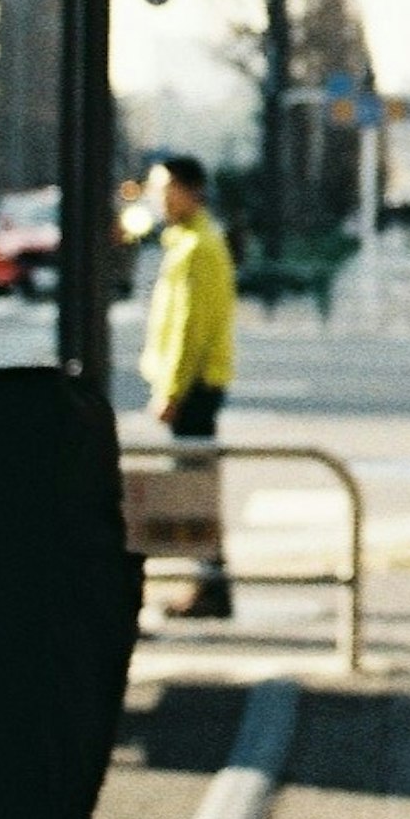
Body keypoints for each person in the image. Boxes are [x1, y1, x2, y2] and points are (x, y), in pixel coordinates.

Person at [131, 154, 239, 621]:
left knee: (192, 487)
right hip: (198, 384)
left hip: (193, 387)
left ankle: (211, 586)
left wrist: (171, 390)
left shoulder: (197, 247)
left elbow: (188, 330)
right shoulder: (191, 241)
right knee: (193, 484)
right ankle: (210, 582)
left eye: (163, 188)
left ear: (188, 190)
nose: (157, 197)